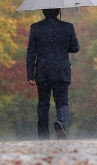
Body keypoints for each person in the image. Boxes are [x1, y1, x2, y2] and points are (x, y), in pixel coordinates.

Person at [26, 8, 80, 140]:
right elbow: (75, 48)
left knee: (43, 103)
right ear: (58, 11)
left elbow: (31, 52)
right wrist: (62, 45)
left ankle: (43, 135)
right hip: (61, 70)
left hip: (43, 71)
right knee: (62, 102)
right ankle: (61, 123)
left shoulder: (36, 28)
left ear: (43, 11)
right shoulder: (67, 27)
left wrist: (30, 74)